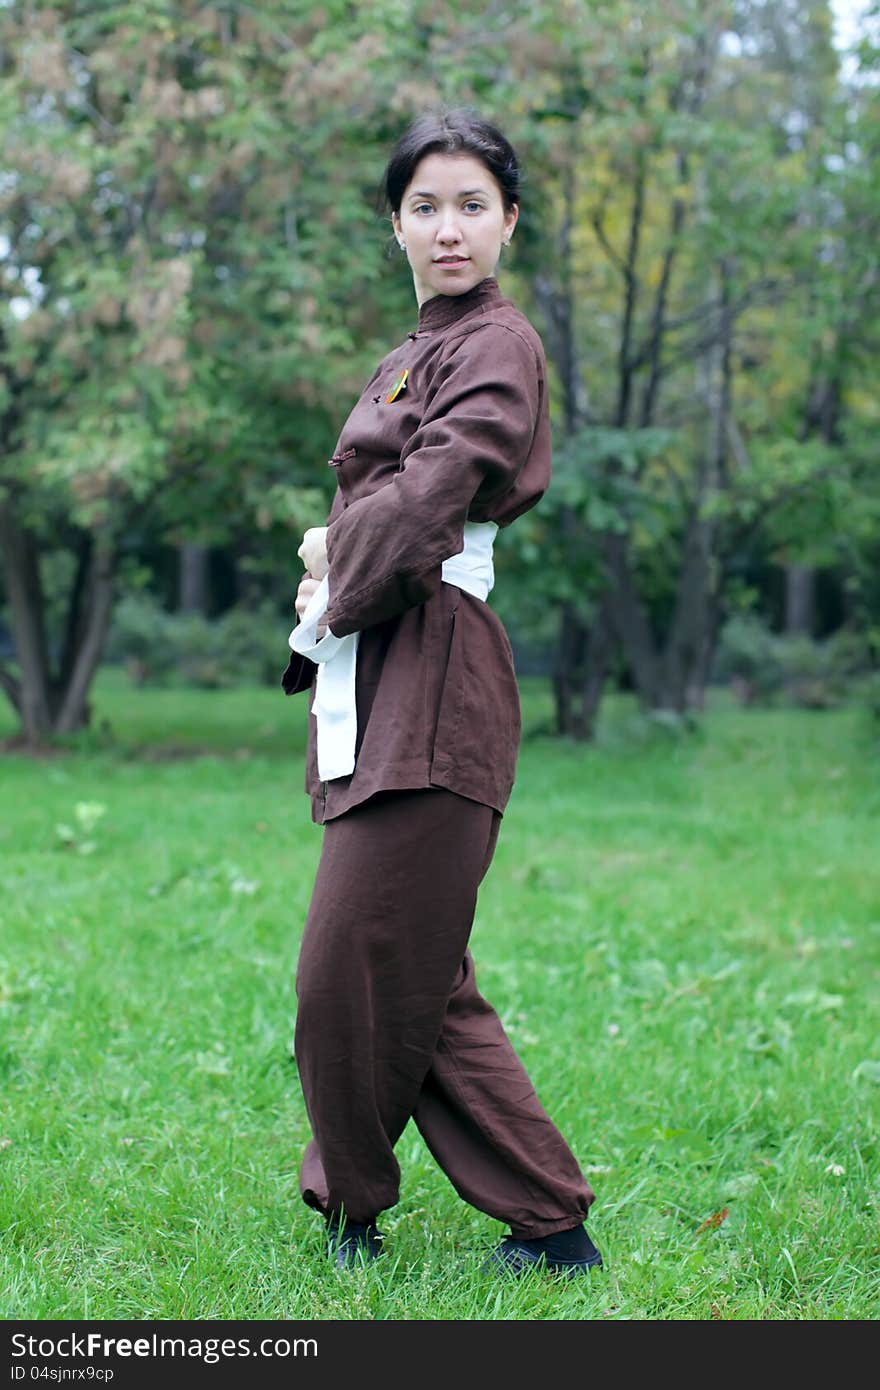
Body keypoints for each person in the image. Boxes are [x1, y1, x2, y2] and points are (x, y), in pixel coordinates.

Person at [281, 108, 602, 1277]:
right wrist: (340, 556)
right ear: (395, 227)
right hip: (382, 671)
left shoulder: (498, 344)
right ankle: (552, 1229)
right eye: (425, 206)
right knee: (420, 976)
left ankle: (348, 1205)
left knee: (346, 968)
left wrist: (333, 557)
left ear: (509, 221)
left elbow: (434, 495)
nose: (448, 227)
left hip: (439, 673)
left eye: (472, 204)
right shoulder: (410, 352)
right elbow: (394, 498)